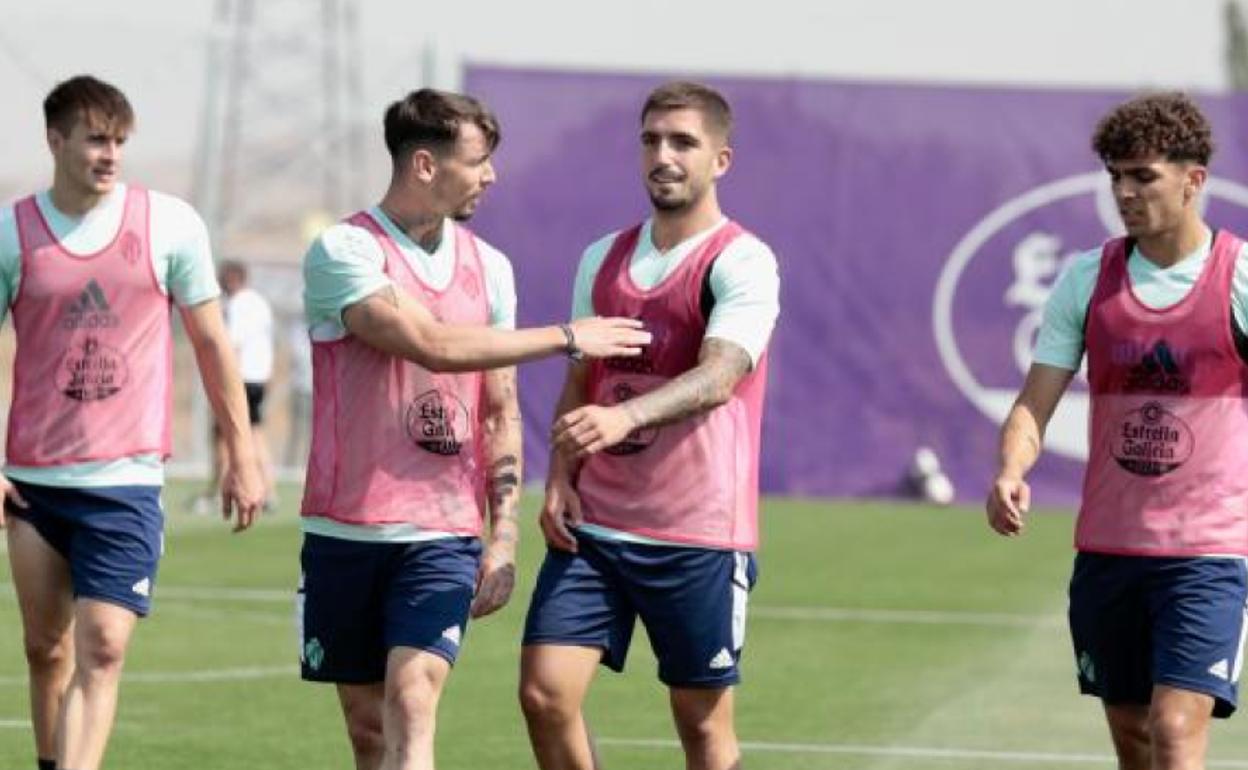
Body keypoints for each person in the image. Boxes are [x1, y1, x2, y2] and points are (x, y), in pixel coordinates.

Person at [297, 87, 650, 770]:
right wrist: (567, 336)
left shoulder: (490, 267)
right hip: (344, 528)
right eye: (478, 160)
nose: (490, 175)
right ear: (425, 165)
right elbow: (431, 344)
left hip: (441, 533)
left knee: (413, 697)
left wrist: (505, 535)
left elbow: (499, 409)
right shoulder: (344, 251)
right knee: (368, 729)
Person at [0, 75, 263, 770]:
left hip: (126, 481)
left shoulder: (170, 224)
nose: (110, 153)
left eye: (119, 140)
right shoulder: (10, 233)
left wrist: (241, 447)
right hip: (32, 482)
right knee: (44, 647)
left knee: (104, 646)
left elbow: (211, 343)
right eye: (94, 138)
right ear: (55, 141)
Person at [518, 81, 781, 770]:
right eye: (651, 140)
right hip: (598, 525)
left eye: (683, 142)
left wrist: (625, 414)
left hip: (698, 530)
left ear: (720, 160)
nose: (663, 156)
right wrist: (558, 479)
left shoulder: (742, 260)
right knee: (545, 696)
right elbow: (581, 382)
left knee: (700, 726)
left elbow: (722, 374)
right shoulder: (600, 257)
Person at [986, 92, 1248, 770]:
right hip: (1109, 549)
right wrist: (1011, 470)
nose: (1124, 193)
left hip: (1210, 551)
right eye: (1115, 178)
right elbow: (1032, 404)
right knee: (1131, 733)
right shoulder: (1086, 278)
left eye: (1143, 176)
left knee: (1174, 728)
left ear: (1193, 180)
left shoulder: (1239, 277)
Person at [193, 260, 276, 512]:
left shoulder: (237, 305)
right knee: (255, 433)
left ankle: (217, 490)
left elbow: (231, 345)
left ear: (230, 279)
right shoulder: (261, 303)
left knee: (223, 435)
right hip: (259, 376)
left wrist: (221, 380)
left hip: (239, 378)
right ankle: (269, 491)